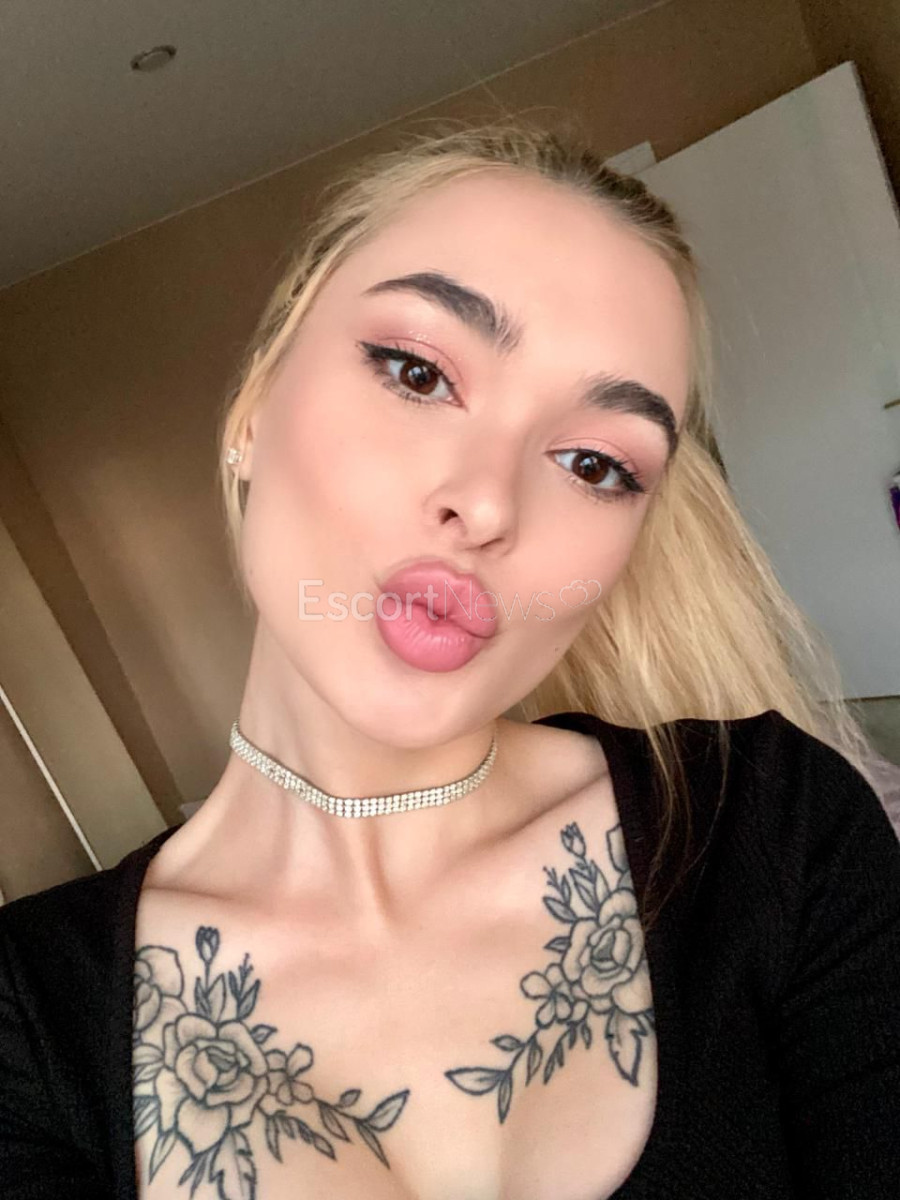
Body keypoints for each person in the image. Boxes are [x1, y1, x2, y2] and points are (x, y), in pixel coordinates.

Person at [1, 118, 899, 1200]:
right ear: (254, 409)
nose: (487, 503)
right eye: (418, 372)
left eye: (594, 464)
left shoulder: (774, 827)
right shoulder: (25, 1016)